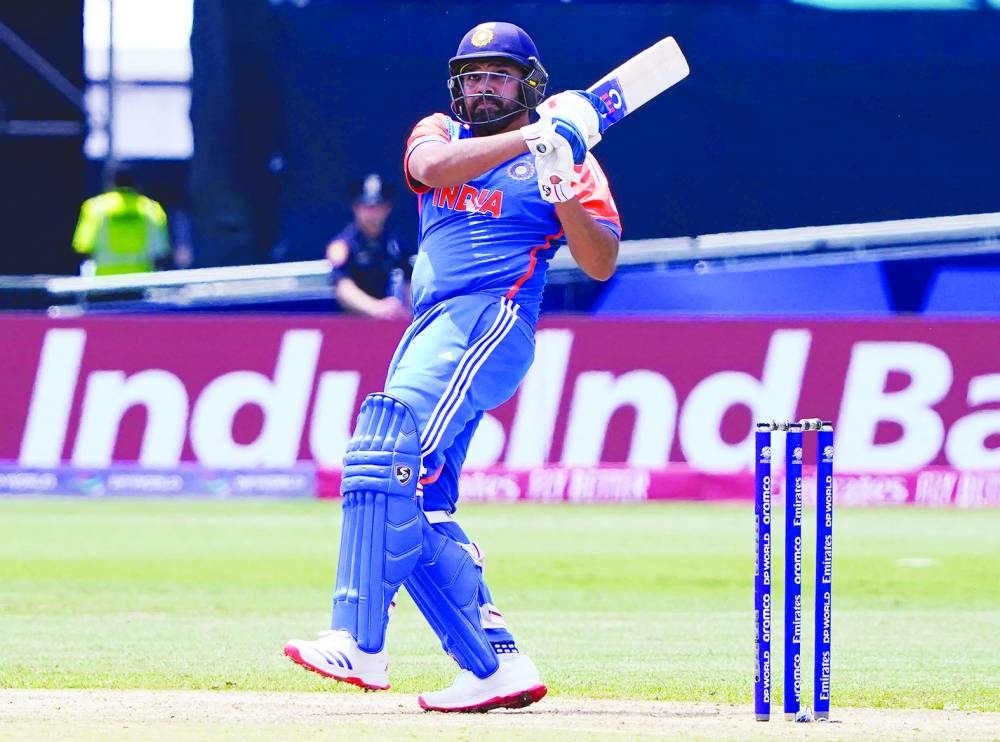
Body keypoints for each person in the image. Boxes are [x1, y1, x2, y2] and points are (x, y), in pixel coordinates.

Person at [284, 21, 620, 712]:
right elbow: (431, 172)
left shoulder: (571, 159)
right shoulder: (439, 131)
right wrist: (538, 139)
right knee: (419, 496)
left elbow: (600, 261)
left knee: (385, 449)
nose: (481, 86)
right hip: (429, 326)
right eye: (471, 76)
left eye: (497, 75)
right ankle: (493, 663)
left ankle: (359, 641)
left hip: (490, 319)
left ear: (528, 83)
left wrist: (559, 181)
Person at [325, 174, 414, 319]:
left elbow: (409, 283)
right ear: (355, 207)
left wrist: (410, 312)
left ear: (387, 208)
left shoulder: (395, 243)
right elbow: (343, 288)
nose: (372, 213)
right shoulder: (343, 245)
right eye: (366, 207)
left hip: (391, 321)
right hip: (353, 323)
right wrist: (377, 308)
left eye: (378, 206)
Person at [71, 164, 175, 275]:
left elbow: (83, 247)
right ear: (137, 183)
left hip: (104, 280)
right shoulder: (151, 209)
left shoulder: (95, 208)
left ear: (112, 181)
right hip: (139, 280)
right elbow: (161, 251)